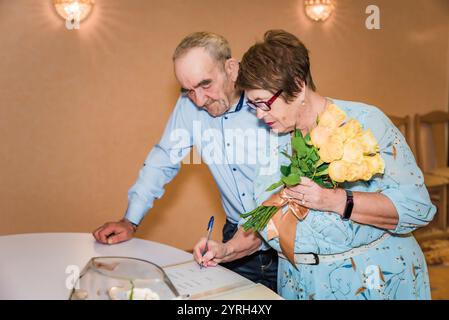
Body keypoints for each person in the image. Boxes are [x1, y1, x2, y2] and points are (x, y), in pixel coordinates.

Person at [193, 29, 436, 300]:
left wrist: (336, 200)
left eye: (263, 103)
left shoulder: (364, 123)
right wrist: (227, 250)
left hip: (369, 282)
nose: (260, 115)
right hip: (298, 286)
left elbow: (417, 208)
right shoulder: (274, 140)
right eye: (253, 106)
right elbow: (270, 221)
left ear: (297, 85)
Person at [92, 32, 278, 291]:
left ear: (232, 68)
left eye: (205, 85)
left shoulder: (270, 103)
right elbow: (163, 159)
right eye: (189, 91)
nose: (199, 100)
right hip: (234, 238)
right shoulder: (188, 106)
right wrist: (130, 220)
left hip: (286, 236)